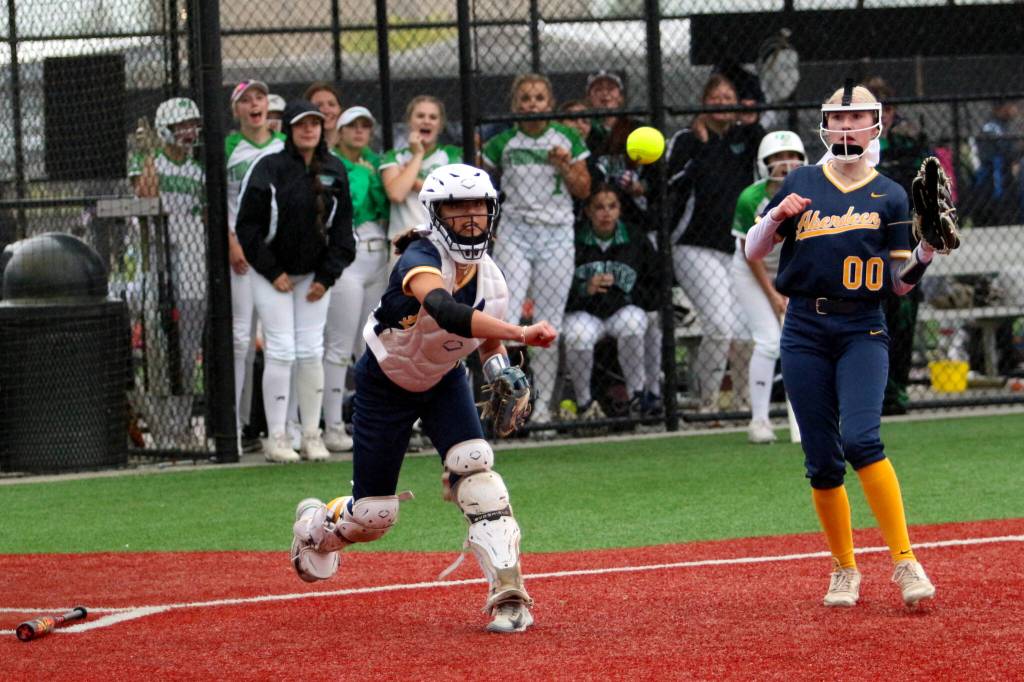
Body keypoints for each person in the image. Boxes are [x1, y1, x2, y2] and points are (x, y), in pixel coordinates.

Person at [289, 163, 557, 633]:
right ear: (435, 213)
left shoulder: (492, 277)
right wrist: (521, 334)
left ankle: (509, 593)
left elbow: (484, 342)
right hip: (384, 383)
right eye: (457, 207)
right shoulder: (418, 256)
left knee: (476, 464)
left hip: (442, 380)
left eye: (478, 206)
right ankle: (318, 526)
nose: (471, 217)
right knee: (374, 515)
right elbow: (446, 311)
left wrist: (502, 372)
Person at [745, 83, 942, 608]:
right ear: (826, 125)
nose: (849, 126)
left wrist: (924, 252)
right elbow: (752, 248)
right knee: (822, 460)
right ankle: (844, 568)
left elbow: (899, 284)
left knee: (861, 440)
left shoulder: (892, 193)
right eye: (840, 117)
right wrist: (776, 216)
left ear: (877, 125)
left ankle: (904, 561)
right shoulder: (803, 179)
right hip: (805, 328)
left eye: (859, 117)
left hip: (863, 328)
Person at [235, 100, 356, 462]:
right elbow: (248, 227)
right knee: (281, 348)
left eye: (315, 124)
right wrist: (273, 272)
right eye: (301, 124)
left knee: (309, 350)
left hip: (313, 277)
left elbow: (343, 231)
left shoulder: (334, 169)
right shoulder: (268, 168)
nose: (309, 130)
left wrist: (325, 276)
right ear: (288, 128)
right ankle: (277, 438)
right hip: (272, 274)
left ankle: (311, 434)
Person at [483, 73, 590, 425]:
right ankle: (505, 404)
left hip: (557, 233)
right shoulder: (503, 142)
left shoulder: (566, 138)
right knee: (506, 317)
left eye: (539, 97)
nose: (532, 103)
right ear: (516, 104)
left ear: (550, 103)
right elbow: (482, 179)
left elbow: (583, 188)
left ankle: (542, 407)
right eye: (525, 98)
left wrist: (565, 165)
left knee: (549, 319)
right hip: (515, 231)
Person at [665, 74, 764, 414]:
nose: (723, 102)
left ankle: (743, 400)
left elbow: (765, 157)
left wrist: (751, 122)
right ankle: (706, 401)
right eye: (716, 97)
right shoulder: (688, 138)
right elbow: (671, 179)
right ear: (704, 102)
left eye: (729, 97)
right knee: (720, 325)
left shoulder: (745, 138)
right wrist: (703, 146)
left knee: (747, 329)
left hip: (736, 245)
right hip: (693, 244)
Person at [128, 96, 206, 448]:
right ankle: (161, 430)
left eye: (193, 125)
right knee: (158, 352)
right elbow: (146, 198)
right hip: (156, 267)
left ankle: (180, 426)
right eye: (181, 126)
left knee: (187, 354)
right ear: (166, 130)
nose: (189, 132)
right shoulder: (150, 162)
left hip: (192, 269)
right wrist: (148, 154)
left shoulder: (198, 170)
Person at [321, 106, 391, 452]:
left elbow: (386, 203)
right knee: (339, 345)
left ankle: (369, 422)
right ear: (341, 130)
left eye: (366, 125)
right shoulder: (332, 163)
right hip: (349, 255)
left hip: (379, 253)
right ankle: (332, 425)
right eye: (353, 126)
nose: (360, 131)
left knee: (372, 344)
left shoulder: (376, 163)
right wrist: (365, 176)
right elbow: (353, 201)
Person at [731, 130, 806, 443]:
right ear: (764, 164)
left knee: (806, 342)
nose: (785, 164)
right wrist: (774, 294)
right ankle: (759, 421)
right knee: (769, 342)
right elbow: (751, 252)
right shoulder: (751, 198)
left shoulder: (809, 193)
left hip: (793, 270)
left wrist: (789, 287)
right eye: (776, 158)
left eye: (791, 156)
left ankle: (816, 418)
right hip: (754, 271)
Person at [863, 76, 932, 415]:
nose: (883, 115)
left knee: (903, 317)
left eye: (887, 108)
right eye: (875, 109)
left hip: (904, 246)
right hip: (865, 247)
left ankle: (896, 393)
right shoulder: (850, 148)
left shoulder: (911, 143)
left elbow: (930, 188)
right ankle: (867, 393)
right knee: (868, 321)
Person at [225, 79, 286, 452]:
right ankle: (234, 425)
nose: (253, 104)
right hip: (242, 256)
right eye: (245, 100)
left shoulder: (283, 146)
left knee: (285, 342)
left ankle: (287, 427)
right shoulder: (228, 147)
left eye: (259, 98)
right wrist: (232, 241)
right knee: (240, 340)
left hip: (276, 255)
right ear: (237, 111)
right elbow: (218, 200)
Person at [561, 185, 653, 422]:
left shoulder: (635, 237)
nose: (606, 213)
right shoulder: (572, 239)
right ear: (589, 212)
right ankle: (585, 403)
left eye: (612, 206)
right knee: (578, 336)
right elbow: (556, 290)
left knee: (634, 323)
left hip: (621, 311)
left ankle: (636, 395)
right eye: (599, 207)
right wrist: (584, 289)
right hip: (582, 312)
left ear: (620, 210)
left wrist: (627, 293)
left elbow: (655, 283)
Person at [380, 95, 462, 239]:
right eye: (420, 116)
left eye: (433, 117)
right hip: (405, 239)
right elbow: (397, 194)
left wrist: (413, 181)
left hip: (442, 239)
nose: (426, 121)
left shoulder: (451, 155)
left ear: (441, 125)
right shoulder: (393, 156)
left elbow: (452, 197)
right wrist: (418, 154)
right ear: (409, 122)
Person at [305, 82, 343, 150]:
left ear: (339, 109)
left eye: (331, 104)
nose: (326, 111)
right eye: (319, 105)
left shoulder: (353, 145)